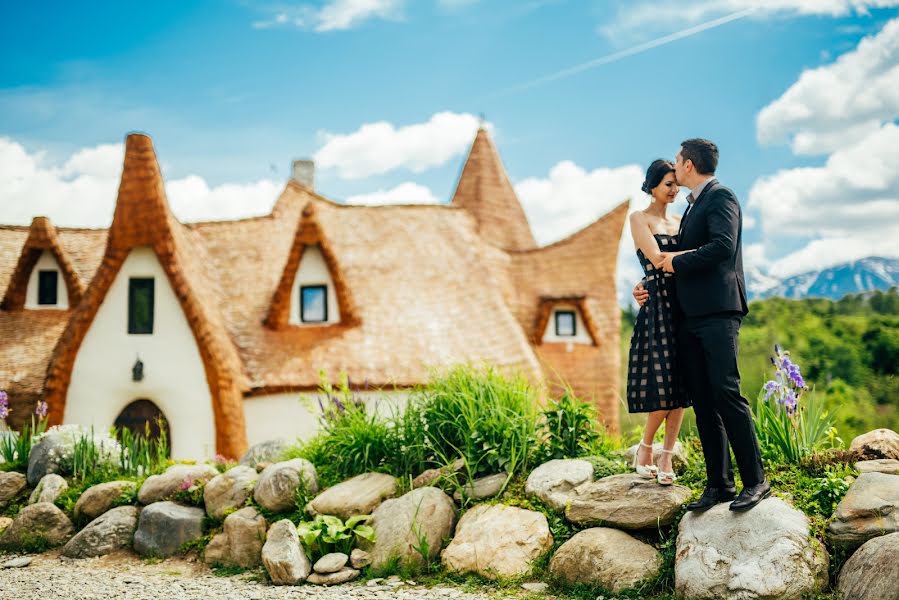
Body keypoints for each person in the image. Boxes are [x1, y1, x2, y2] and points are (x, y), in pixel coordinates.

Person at [635, 138, 768, 512]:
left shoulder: (721, 197)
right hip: (689, 315)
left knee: (727, 393)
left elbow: (723, 247)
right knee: (704, 402)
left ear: (689, 165)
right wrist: (644, 286)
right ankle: (719, 485)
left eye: (677, 160)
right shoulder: (693, 207)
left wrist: (675, 260)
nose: (674, 167)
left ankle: (756, 481)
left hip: (718, 311)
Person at [626, 159, 693, 485]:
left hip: (684, 305)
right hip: (658, 308)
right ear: (652, 185)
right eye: (668, 183)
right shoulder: (639, 218)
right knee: (665, 384)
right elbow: (656, 259)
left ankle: (667, 455)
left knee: (681, 386)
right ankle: (645, 447)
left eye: (675, 184)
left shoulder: (682, 220)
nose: (674, 189)